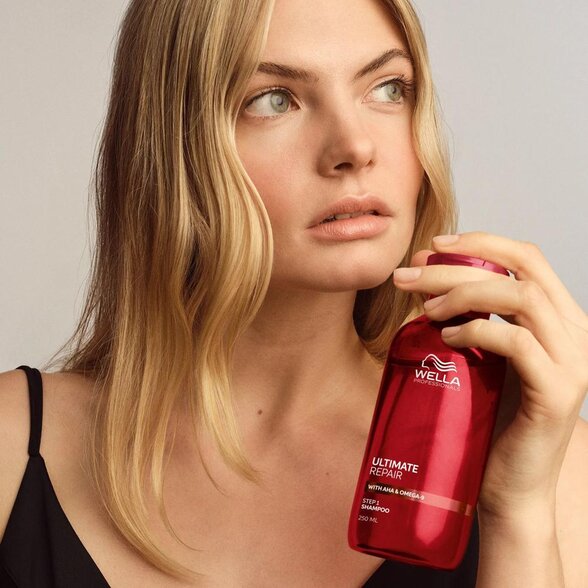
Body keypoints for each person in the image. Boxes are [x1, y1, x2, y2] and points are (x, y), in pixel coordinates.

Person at [1, 0, 587, 586]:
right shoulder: (12, 441)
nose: (355, 147)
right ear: (174, 147)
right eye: (274, 100)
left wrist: (518, 516)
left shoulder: (548, 465)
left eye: (388, 88)